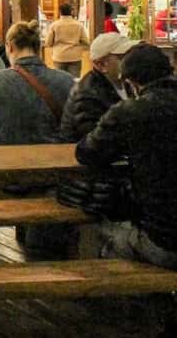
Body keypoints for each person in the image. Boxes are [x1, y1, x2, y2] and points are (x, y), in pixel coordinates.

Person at [0, 20, 76, 255]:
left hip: (5, 175)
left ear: (10, 46)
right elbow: (70, 130)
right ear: (39, 46)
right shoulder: (65, 81)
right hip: (51, 174)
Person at [76, 43, 177, 269]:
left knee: (102, 233)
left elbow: (87, 152)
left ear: (131, 82)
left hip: (163, 241)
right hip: (164, 233)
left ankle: (113, 297)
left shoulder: (129, 112)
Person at [57, 32, 138, 217]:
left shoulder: (124, 84)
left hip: (111, 176)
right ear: (101, 64)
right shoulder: (88, 94)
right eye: (121, 57)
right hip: (91, 185)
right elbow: (97, 144)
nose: (129, 60)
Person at [46, 4, 89, 77]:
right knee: (74, 82)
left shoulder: (54, 25)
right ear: (71, 12)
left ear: (60, 12)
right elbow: (86, 41)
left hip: (59, 56)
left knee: (60, 81)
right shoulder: (79, 25)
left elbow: (48, 43)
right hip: (75, 56)